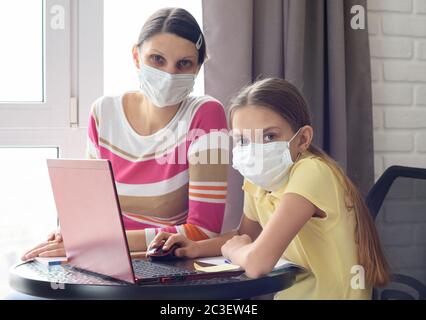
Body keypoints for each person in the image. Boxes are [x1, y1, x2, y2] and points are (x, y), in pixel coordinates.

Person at [149, 78, 390, 299]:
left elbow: (257, 263)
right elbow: (246, 235)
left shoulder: (312, 173)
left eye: (269, 137)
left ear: (303, 139)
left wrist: (237, 251)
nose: (255, 150)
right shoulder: (257, 180)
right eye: (243, 140)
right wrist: (195, 248)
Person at [22, 7, 229, 260]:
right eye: (157, 59)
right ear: (136, 56)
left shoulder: (206, 114)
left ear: (197, 69)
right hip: (102, 259)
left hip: (162, 267)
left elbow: (202, 232)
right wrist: (71, 232)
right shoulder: (104, 112)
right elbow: (94, 210)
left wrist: (93, 241)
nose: (169, 74)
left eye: (184, 64)